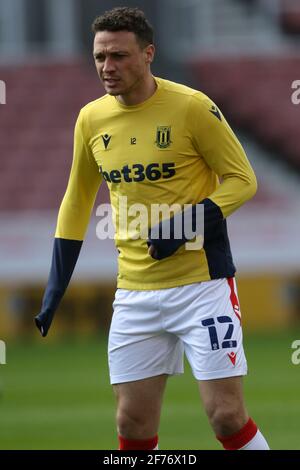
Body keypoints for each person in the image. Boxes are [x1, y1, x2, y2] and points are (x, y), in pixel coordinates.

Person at [35, 7, 270, 451]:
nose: (108, 67)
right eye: (100, 57)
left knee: (225, 415)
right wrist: (56, 284)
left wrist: (186, 224)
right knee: (132, 422)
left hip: (203, 286)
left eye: (119, 56)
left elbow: (243, 181)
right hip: (134, 293)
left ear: (148, 54)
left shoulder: (192, 107)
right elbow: (76, 200)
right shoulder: (91, 119)